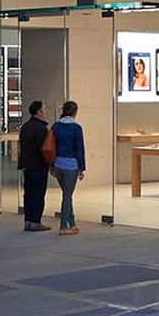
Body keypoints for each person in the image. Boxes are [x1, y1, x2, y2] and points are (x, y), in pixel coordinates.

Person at [15, 100, 53, 232]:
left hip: (27, 165)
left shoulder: (25, 127)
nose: (45, 112)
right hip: (39, 166)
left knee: (29, 194)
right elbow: (44, 149)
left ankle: (28, 220)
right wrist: (49, 163)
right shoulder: (42, 128)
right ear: (39, 111)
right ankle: (36, 221)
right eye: (44, 109)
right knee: (38, 194)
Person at [51, 100, 87, 235]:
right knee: (67, 196)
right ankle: (63, 226)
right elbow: (79, 150)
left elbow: (51, 147)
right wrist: (81, 168)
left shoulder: (56, 126)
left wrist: (52, 165)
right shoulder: (77, 128)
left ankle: (72, 224)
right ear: (75, 112)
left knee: (67, 195)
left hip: (58, 164)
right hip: (71, 166)